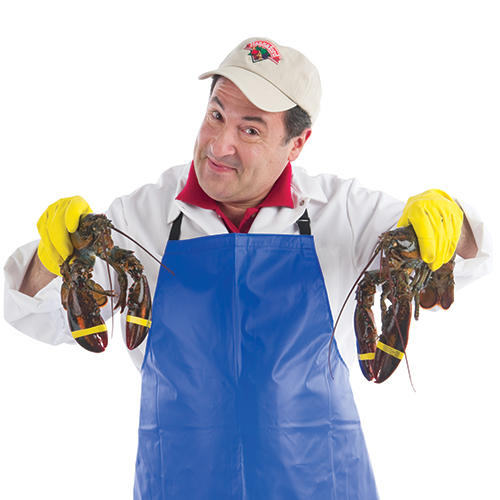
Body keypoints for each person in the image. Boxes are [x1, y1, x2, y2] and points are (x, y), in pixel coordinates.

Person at [3, 37, 487, 499]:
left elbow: (469, 258)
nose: (219, 145)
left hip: (321, 487)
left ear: (296, 144)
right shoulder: (142, 218)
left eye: (250, 130)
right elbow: (33, 312)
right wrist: (52, 257)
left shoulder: (343, 212)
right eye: (216, 115)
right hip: (182, 487)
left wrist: (451, 221)